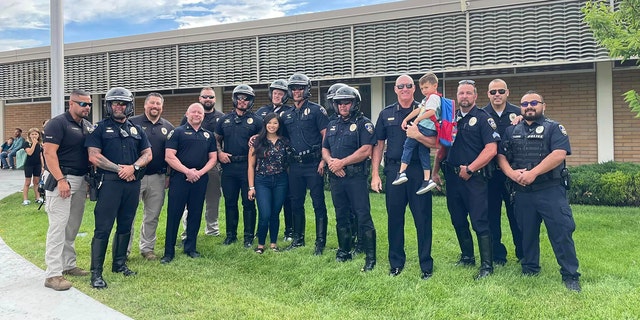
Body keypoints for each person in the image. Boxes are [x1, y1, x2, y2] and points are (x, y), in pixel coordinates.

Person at [496, 90, 581, 292]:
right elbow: (501, 156)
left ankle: (570, 275)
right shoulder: (511, 130)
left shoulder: (554, 128)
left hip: (550, 190)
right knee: (526, 233)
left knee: (561, 232)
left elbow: (559, 154)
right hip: (523, 191)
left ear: (544, 105)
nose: (529, 107)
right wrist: (512, 174)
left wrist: (533, 173)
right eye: (524, 104)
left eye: (534, 102)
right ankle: (530, 268)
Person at [85, 87, 152, 289]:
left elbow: (148, 153)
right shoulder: (99, 128)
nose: (118, 107)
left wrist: (134, 167)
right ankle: (96, 273)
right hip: (109, 184)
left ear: (129, 106)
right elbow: (93, 155)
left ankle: (119, 264)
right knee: (103, 228)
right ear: (108, 105)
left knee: (125, 225)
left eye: (122, 103)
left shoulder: (136, 129)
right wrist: (119, 169)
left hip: (132, 183)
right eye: (115, 103)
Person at [433, 79, 500, 280]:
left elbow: (491, 149)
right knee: (458, 219)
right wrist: (435, 172)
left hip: (475, 179)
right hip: (453, 179)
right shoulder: (451, 119)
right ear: (457, 96)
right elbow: (443, 147)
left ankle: (487, 266)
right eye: (461, 93)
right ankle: (467, 256)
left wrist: (471, 169)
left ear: (475, 96)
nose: (464, 96)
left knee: (479, 220)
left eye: (468, 93)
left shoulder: (483, 118)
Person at [371, 74, 435, 280]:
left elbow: (435, 141)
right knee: (395, 219)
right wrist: (375, 174)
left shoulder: (425, 110)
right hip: (393, 171)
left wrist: (418, 136)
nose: (405, 89)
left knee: (423, 219)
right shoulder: (386, 113)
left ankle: (426, 264)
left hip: (418, 171)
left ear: (414, 89)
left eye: (409, 85)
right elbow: (379, 144)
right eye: (401, 86)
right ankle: (396, 263)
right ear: (395, 89)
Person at [42, 89, 93, 291]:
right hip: (62, 179)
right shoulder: (58, 123)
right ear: (71, 103)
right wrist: (61, 179)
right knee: (58, 225)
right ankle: (53, 274)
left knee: (72, 225)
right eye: (83, 104)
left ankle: (68, 264)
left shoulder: (86, 126)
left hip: (80, 180)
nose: (87, 107)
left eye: (89, 104)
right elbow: (49, 152)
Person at [322, 86, 377, 272]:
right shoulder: (332, 124)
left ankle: (370, 258)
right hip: (336, 178)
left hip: (355, 177)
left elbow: (366, 150)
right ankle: (344, 251)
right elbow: (325, 148)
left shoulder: (364, 123)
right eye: (339, 103)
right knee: (341, 215)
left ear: (354, 103)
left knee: (363, 216)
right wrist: (331, 163)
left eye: (347, 102)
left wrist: (342, 163)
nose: (343, 106)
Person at [161, 103, 218, 264]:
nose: (197, 114)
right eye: (193, 111)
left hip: (200, 180)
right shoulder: (177, 132)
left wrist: (199, 173)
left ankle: (190, 247)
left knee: (195, 214)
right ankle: (168, 251)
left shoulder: (208, 135)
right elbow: (169, 156)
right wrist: (187, 171)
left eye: (199, 112)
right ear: (187, 114)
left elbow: (213, 158)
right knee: (174, 215)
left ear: (203, 116)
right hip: (180, 179)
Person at [280, 73, 329, 255]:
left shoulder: (317, 110)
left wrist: (324, 160)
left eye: (300, 88)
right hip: (295, 166)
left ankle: (320, 242)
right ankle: (298, 239)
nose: (297, 91)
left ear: (306, 89)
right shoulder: (287, 114)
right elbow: (280, 137)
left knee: (318, 203)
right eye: (294, 88)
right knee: (296, 202)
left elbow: (326, 135)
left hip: (314, 163)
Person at [481, 79, 524, 265]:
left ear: (507, 92)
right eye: (493, 92)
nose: (496, 94)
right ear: (488, 94)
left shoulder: (519, 112)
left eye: (500, 91)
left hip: (513, 173)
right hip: (490, 174)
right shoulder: (482, 114)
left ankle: (523, 254)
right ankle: (498, 255)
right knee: (491, 216)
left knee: (517, 215)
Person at [128, 92, 175, 260]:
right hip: (134, 177)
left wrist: (168, 175)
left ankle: (147, 248)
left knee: (152, 215)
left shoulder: (168, 127)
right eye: (152, 103)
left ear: (162, 107)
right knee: (129, 214)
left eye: (158, 104)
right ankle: (124, 250)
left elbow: (171, 154)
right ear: (145, 105)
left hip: (158, 177)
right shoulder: (132, 123)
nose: (155, 107)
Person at [215, 84, 262, 248]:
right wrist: (219, 152)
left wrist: (257, 136)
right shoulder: (224, 120)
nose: (242, 101)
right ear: (234, 99)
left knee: (248, 203)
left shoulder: (257, 120)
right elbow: (216, 139)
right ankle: (231, 235)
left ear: (251, 101)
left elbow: (265, 140)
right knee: (230, 202)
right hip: (228, 167)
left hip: (247, 167)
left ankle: (249, 237)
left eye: (246, 99)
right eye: (240, 98)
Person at [180, 87, 224, 239]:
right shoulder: (189, 116)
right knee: (188, 201)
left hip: (212, 167)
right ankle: (187, 232)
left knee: (213, 198)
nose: (208, 99)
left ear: (215, 99)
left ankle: (212, 230)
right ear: (200, 98)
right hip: (190, 167)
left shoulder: (221, 117)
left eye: (211, 97)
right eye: (204, 97)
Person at [254, 79, 294, 241]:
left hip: (282, 162)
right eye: (275, 93)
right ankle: (261, 232)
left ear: (285, 96)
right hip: (263, 165)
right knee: (264, 208)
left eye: (281, 93)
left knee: (286, 202)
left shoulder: (290, 111)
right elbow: (257, 131)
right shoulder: (262, 111)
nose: (277, 96)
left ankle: (289, 231)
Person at [248, 113, 291, 253]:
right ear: (265, 124)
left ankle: (273, 243)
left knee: (275, 213)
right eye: (269, 123)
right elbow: (251, 166)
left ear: (279, 125)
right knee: (264, 213)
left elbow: (288, 164)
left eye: (275, 123)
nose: (272, 126)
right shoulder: (257, 142)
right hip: (262, 181)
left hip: (281, 181)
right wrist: (251, 187)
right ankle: (260, 244)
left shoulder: (284, 141)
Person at [391, 73, 440, 195]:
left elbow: (431, 112)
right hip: (427, 127)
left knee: (408, 145)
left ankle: (401, 172)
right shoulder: (427, 98)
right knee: (423, 152)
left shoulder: (434, 98)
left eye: (426, 88)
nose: (424, 91)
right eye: (422, 88)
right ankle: (427, 179)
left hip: (426, 127)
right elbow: (418, 110)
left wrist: (417, 121)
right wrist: (406, 119)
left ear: (435, 86)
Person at [21, 128, 44, 205]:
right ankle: (25, 199)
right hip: (29, 165)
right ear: (29, 135)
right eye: (32, 134)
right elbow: (29, 153)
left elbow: (41, 155)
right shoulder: (26, 143)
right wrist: (34, 144)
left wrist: (43, 166)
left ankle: (37, 197)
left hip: (37, 164)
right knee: (27, 182)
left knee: (36, 182)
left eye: (36, 134)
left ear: (38, 135)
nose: (34, 136)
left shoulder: (40, 144)